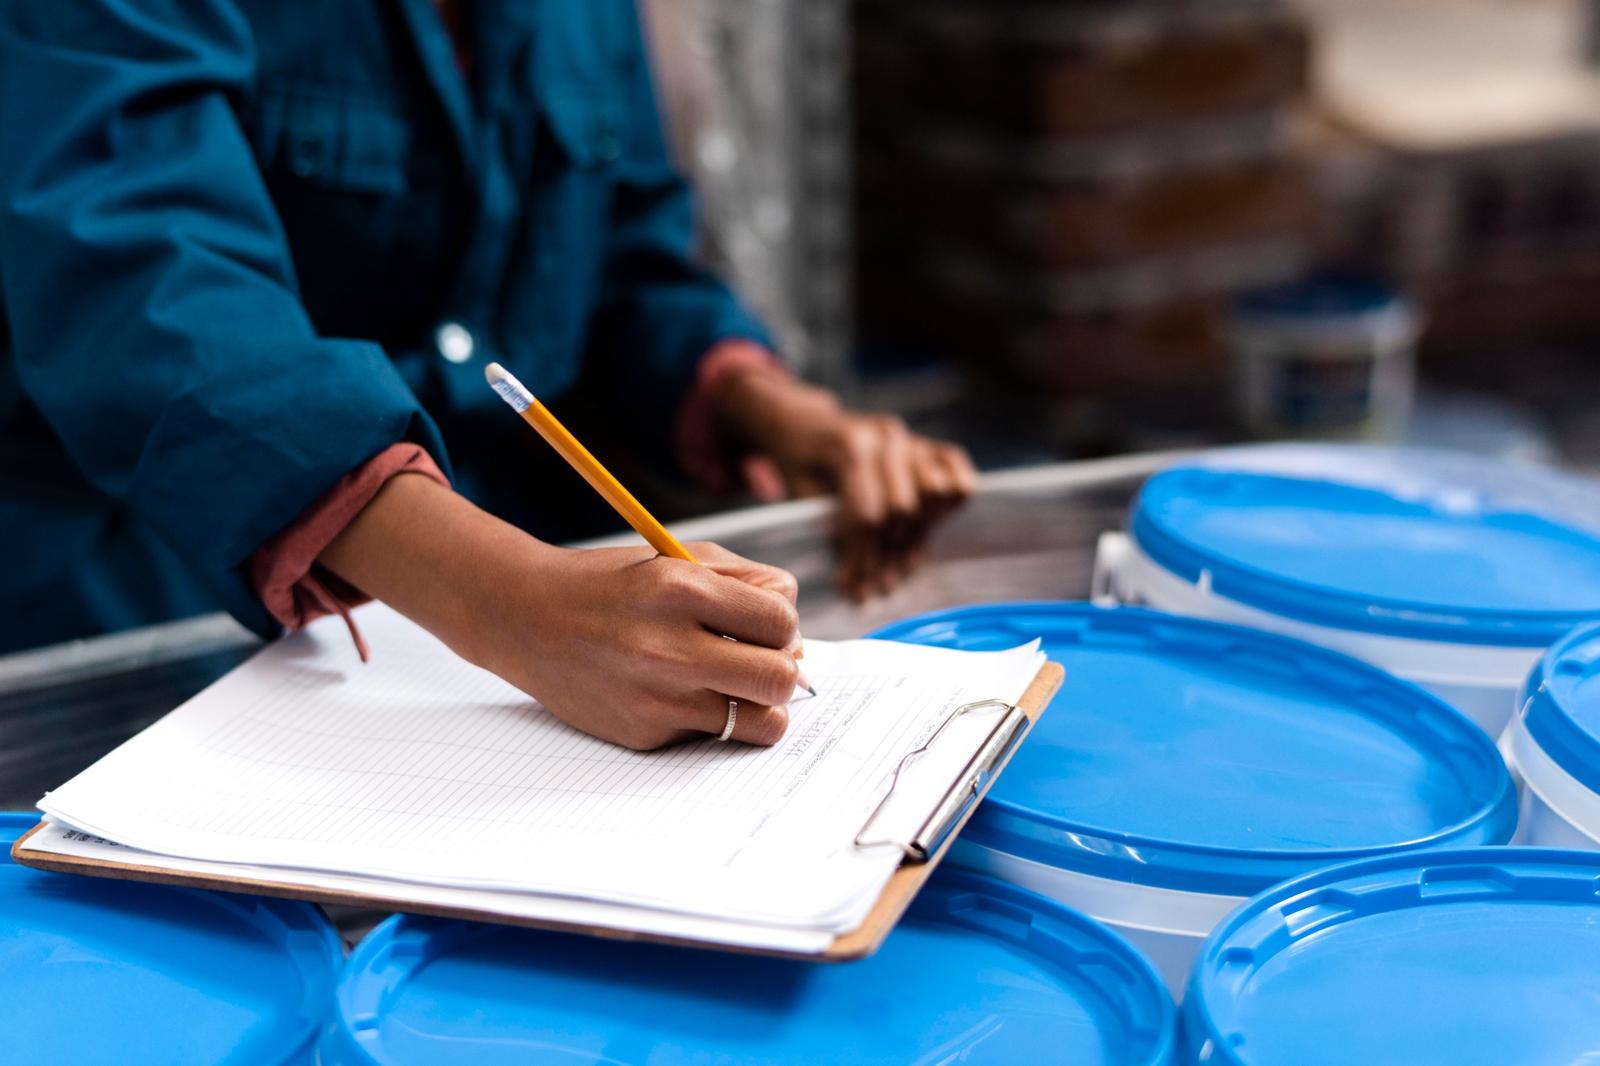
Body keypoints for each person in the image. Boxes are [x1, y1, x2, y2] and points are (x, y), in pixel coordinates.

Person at [0, 1, 976, 748]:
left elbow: (617, 251)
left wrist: (768, 409)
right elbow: (148, 279)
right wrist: (514, 602)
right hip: (144, 613)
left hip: (502, 635)